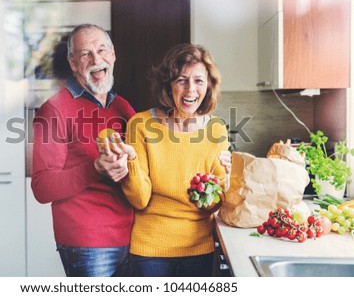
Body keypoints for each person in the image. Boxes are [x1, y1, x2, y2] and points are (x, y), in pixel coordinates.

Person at [32, 24, 231, 277]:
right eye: (85, 54)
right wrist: (95, 168)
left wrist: (224, 177)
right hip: (89, 245)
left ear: (113, 55)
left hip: (129, 238)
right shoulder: (55, 109)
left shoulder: (122, 107)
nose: (96, 59)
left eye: (102, 50)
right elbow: (42, 187)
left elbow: (141, 173)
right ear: (72, 63)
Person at [101, 43, 230, 276]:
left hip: (199, 248)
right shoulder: (141, 125)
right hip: (150, 251)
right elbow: (140, 200)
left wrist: (210, 190)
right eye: (181, 80)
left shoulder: (217, 130)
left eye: (199, 81)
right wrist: (131, 162)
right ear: (168, 85)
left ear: (208, 86)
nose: (190, 89)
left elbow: (216, 202)